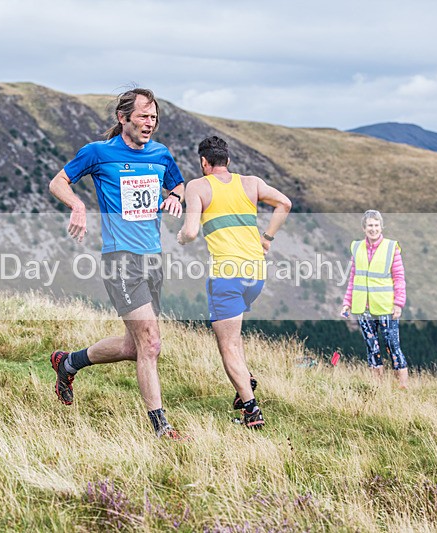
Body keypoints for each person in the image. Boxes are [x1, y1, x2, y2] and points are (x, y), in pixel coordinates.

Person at [48, 88, 188, 440]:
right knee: (151, 344)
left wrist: (174, 197)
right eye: (143, 116)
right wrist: (77, 205)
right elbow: (58, 181)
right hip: (120, 259)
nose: (149, 123)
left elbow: (179, 184)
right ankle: (161, 428)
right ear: (123, 118)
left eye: (153, 117)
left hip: (153, 257)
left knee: (134, 347)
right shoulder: (98, 153)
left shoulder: (161, 154)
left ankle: (68, 363)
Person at [177, 136, 291, 429]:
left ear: (204, 162)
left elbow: (190, 233)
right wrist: (267, 238)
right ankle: (246, 381)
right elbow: (284, 203)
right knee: (234, 333)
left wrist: (181, 237)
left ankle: (251, 410)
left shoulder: (197, 186)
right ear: (227, 160)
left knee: (226, 343)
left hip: (226, 275)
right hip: (255, 273)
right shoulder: (251, 183)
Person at [340, 210, 409, 388]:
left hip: (386, 307)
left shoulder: (391, 248)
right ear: (364, 228)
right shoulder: (357, 247)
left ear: (381, 227)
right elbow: (353, 277)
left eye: (376, 225)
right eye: (370, 225)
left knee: (393, 346)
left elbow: (399, 278)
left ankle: (402, 386)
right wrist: (347, 302)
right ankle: (376, 386)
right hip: (363, 307)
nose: (373, 229)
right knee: (372, 347)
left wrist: (398, 304)